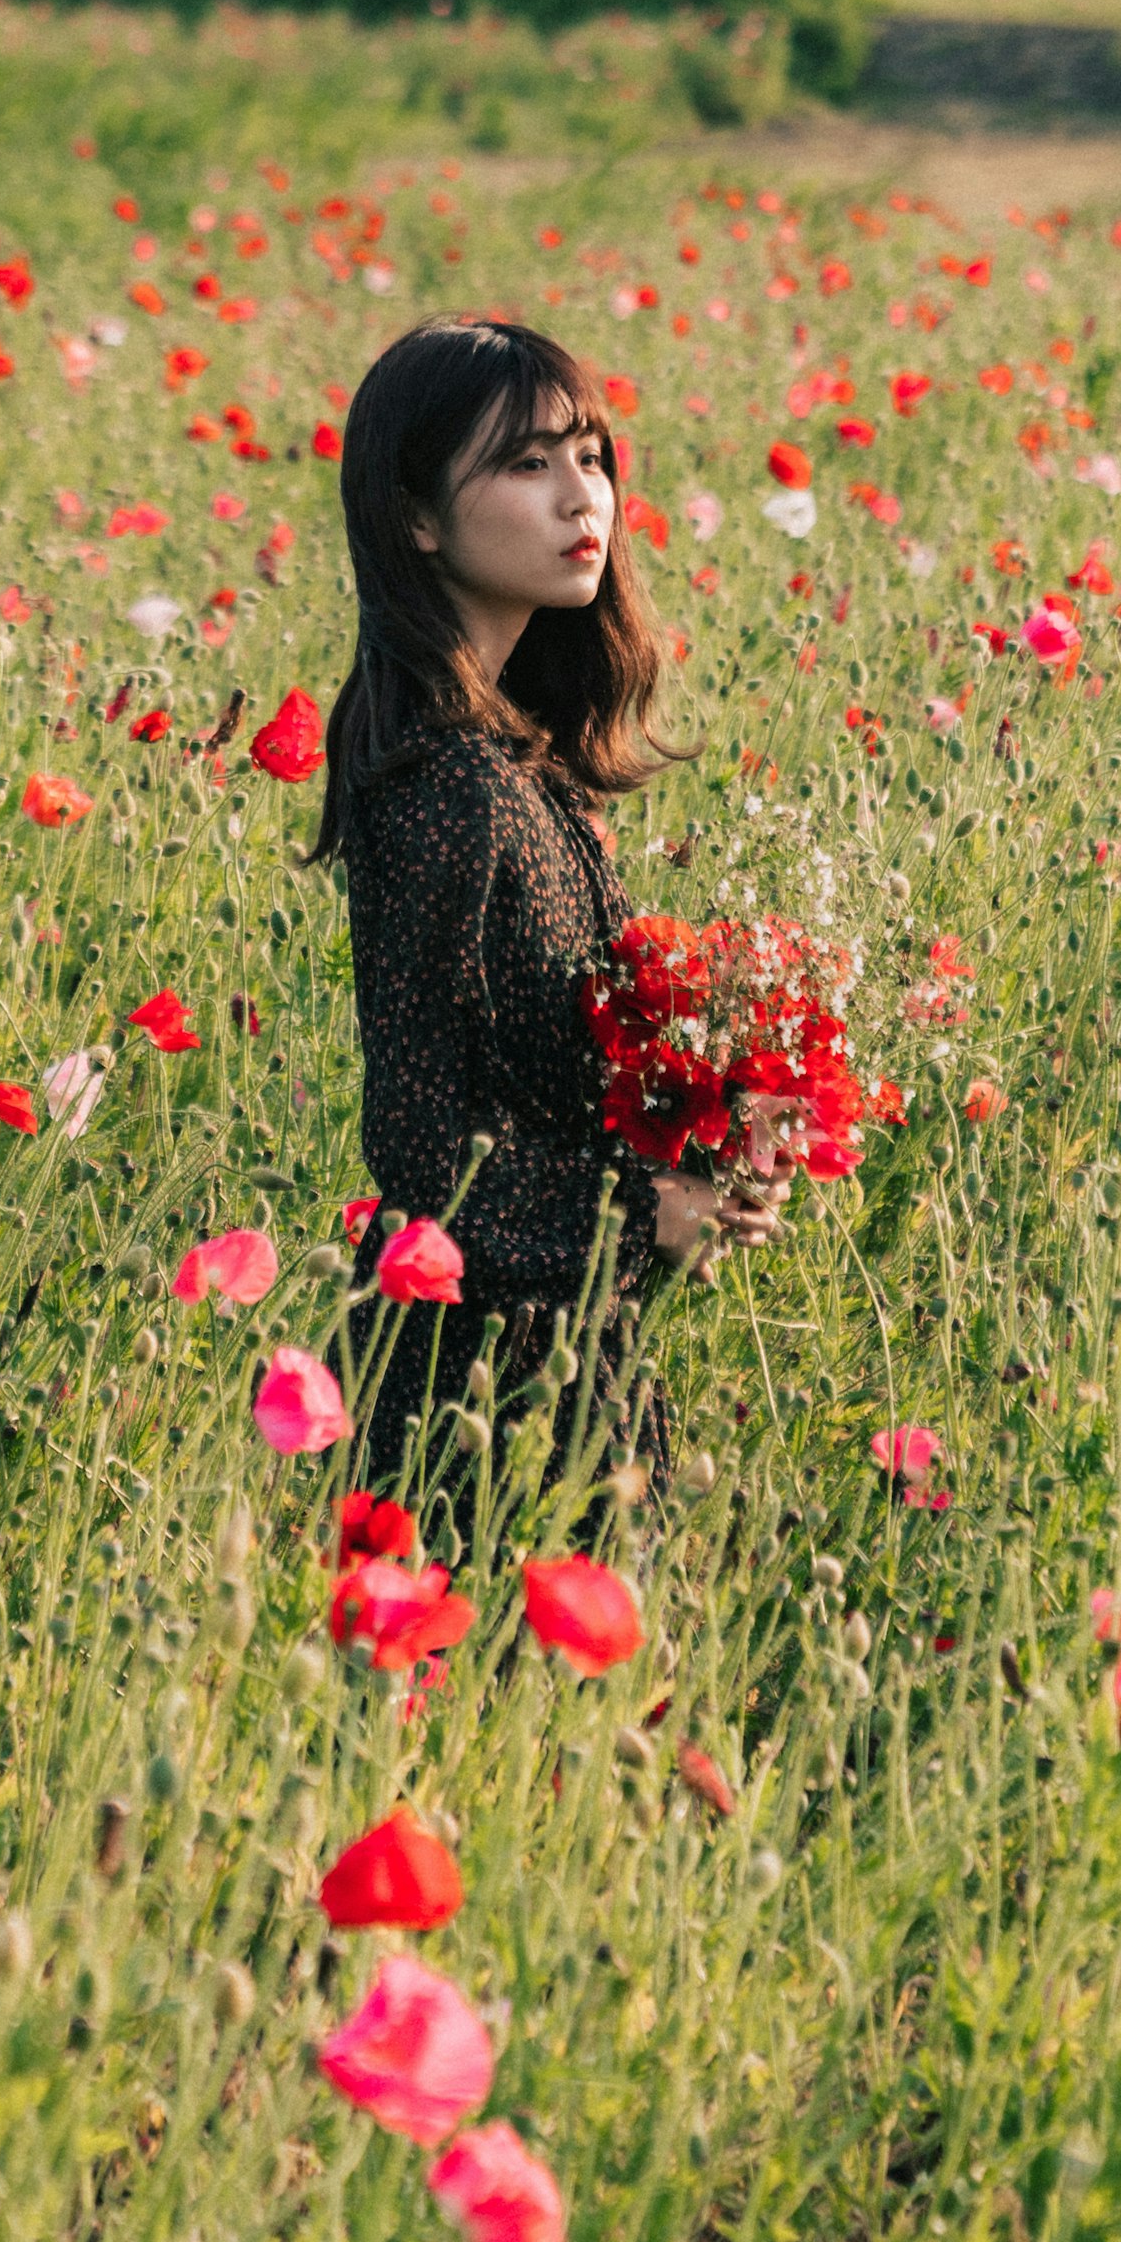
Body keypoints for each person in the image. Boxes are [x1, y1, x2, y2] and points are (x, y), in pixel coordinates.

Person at [316, 314, 783, 1455]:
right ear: (417, 518)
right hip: (467, 1395)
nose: (585, 499)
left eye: (588, 455)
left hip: (549, 1351)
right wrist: (640, 1215)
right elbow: (423, 1149)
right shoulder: (450, 788)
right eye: (527, 464)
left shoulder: (516, 757)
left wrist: (706, 1132)